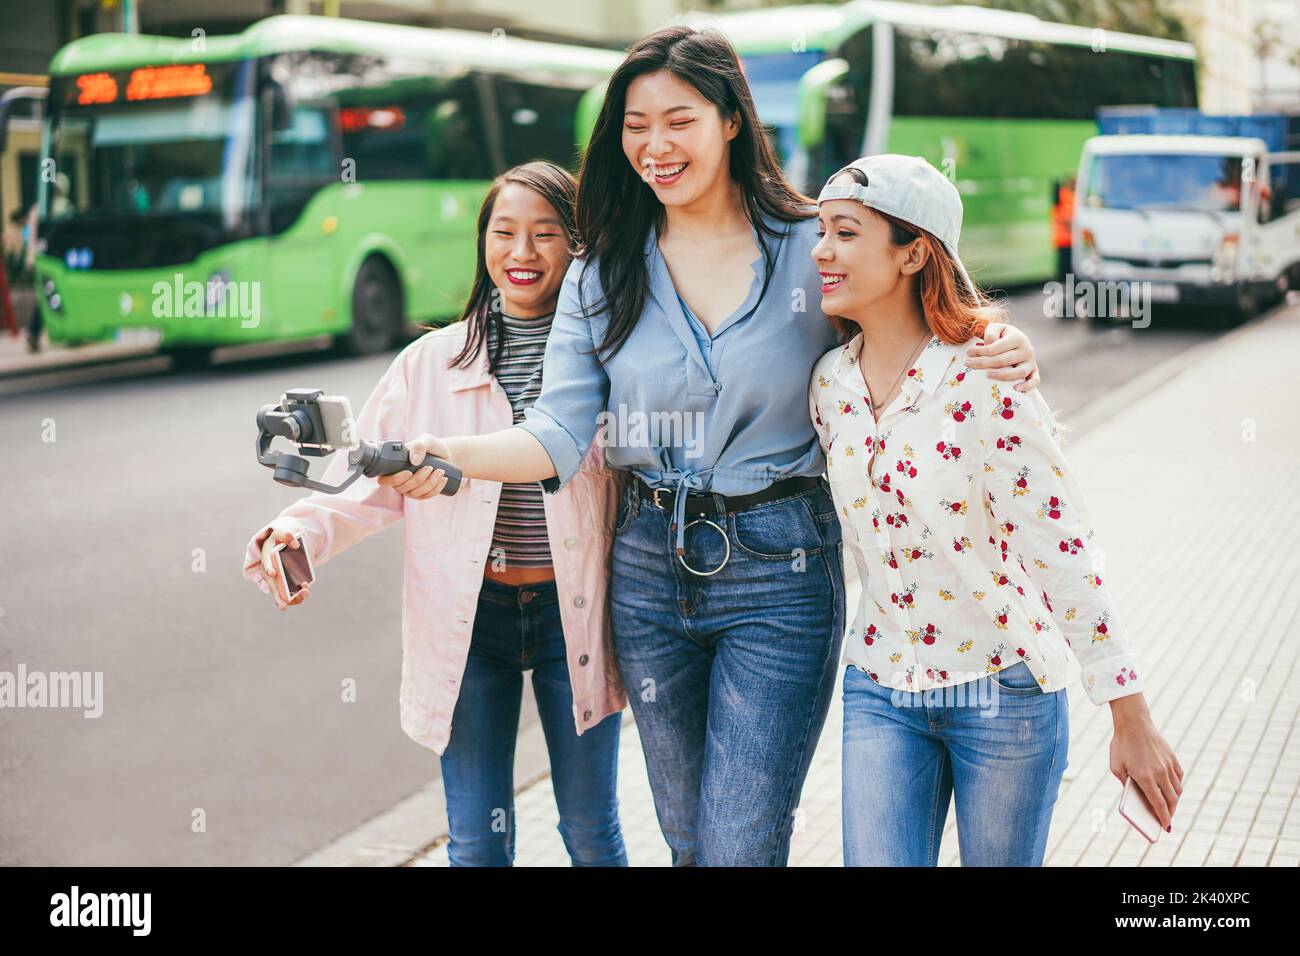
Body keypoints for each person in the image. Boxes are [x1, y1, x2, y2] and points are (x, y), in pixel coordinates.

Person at [396, 27, 1042, 867]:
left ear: (731, 118)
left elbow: (920, 318)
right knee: (692, 841)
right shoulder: (604, 273)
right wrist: (448, 452)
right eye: (634, 126)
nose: (654, 147)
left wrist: (1003, 342)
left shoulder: (814, 247)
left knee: (740, 844)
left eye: (679, 120)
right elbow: (557, 434)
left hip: (782, 573)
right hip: (647, 574)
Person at [241, 162, 628, 867]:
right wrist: (300, 530)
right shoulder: (431, 363)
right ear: (483, 242)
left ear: (578, 248)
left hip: (572, 619)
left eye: (547, 235)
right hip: (469, 619)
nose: (522, 253)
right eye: (504, 232)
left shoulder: (609, 363)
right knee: (478, 843)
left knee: (591, 834)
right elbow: (369, 477)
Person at [809, 154, 1183, 866]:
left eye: (846, 232)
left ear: (914, 251)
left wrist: (1127, 709)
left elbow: (1059, 544)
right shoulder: (829, 386)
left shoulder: (987, 375)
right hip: (881, 687)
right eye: (821, 231)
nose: (822, 251)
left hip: (1005, 692)